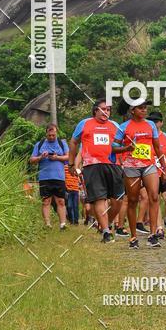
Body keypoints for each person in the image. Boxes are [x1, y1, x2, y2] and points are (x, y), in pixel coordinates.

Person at [68, 99, 124, 243]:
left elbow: (122, 145)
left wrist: (125, 163)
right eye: (103, 109)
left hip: (114, 165)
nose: (106, 112)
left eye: (109, 110)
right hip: (92, 165)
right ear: (95, 110)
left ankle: (107, 222)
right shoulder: (84, 123)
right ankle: (106, 232)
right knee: (99, 198)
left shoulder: (115, 125)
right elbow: (74, 142)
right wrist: (71, 163)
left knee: (117, 200)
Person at [113, 101, 164, 249]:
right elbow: (114, 147)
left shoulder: (151, 125)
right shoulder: (124, 127)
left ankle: (153, 235)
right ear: (132, 110)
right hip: (131, 167)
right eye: (141, 108)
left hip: (149, 165)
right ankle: (133, 237)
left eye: (145, 108)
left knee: (154, 197)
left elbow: (156, 146)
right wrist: (126, 148)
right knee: (133, 200)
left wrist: (163, 165)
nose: (144, 110)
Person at [30, 124, 69, 229]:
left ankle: (63, 224)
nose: (51, 137)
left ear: (56, 133)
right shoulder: (39, 144)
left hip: (59, 177)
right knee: (46, 201)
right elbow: (31, 160)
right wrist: (40, 157)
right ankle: (47, 224)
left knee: (61, 201)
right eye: (49, 135)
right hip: (44, 177)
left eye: (53, 135)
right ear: (46, 134)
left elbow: (68, 157)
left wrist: (57, 157)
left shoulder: (62, 143)